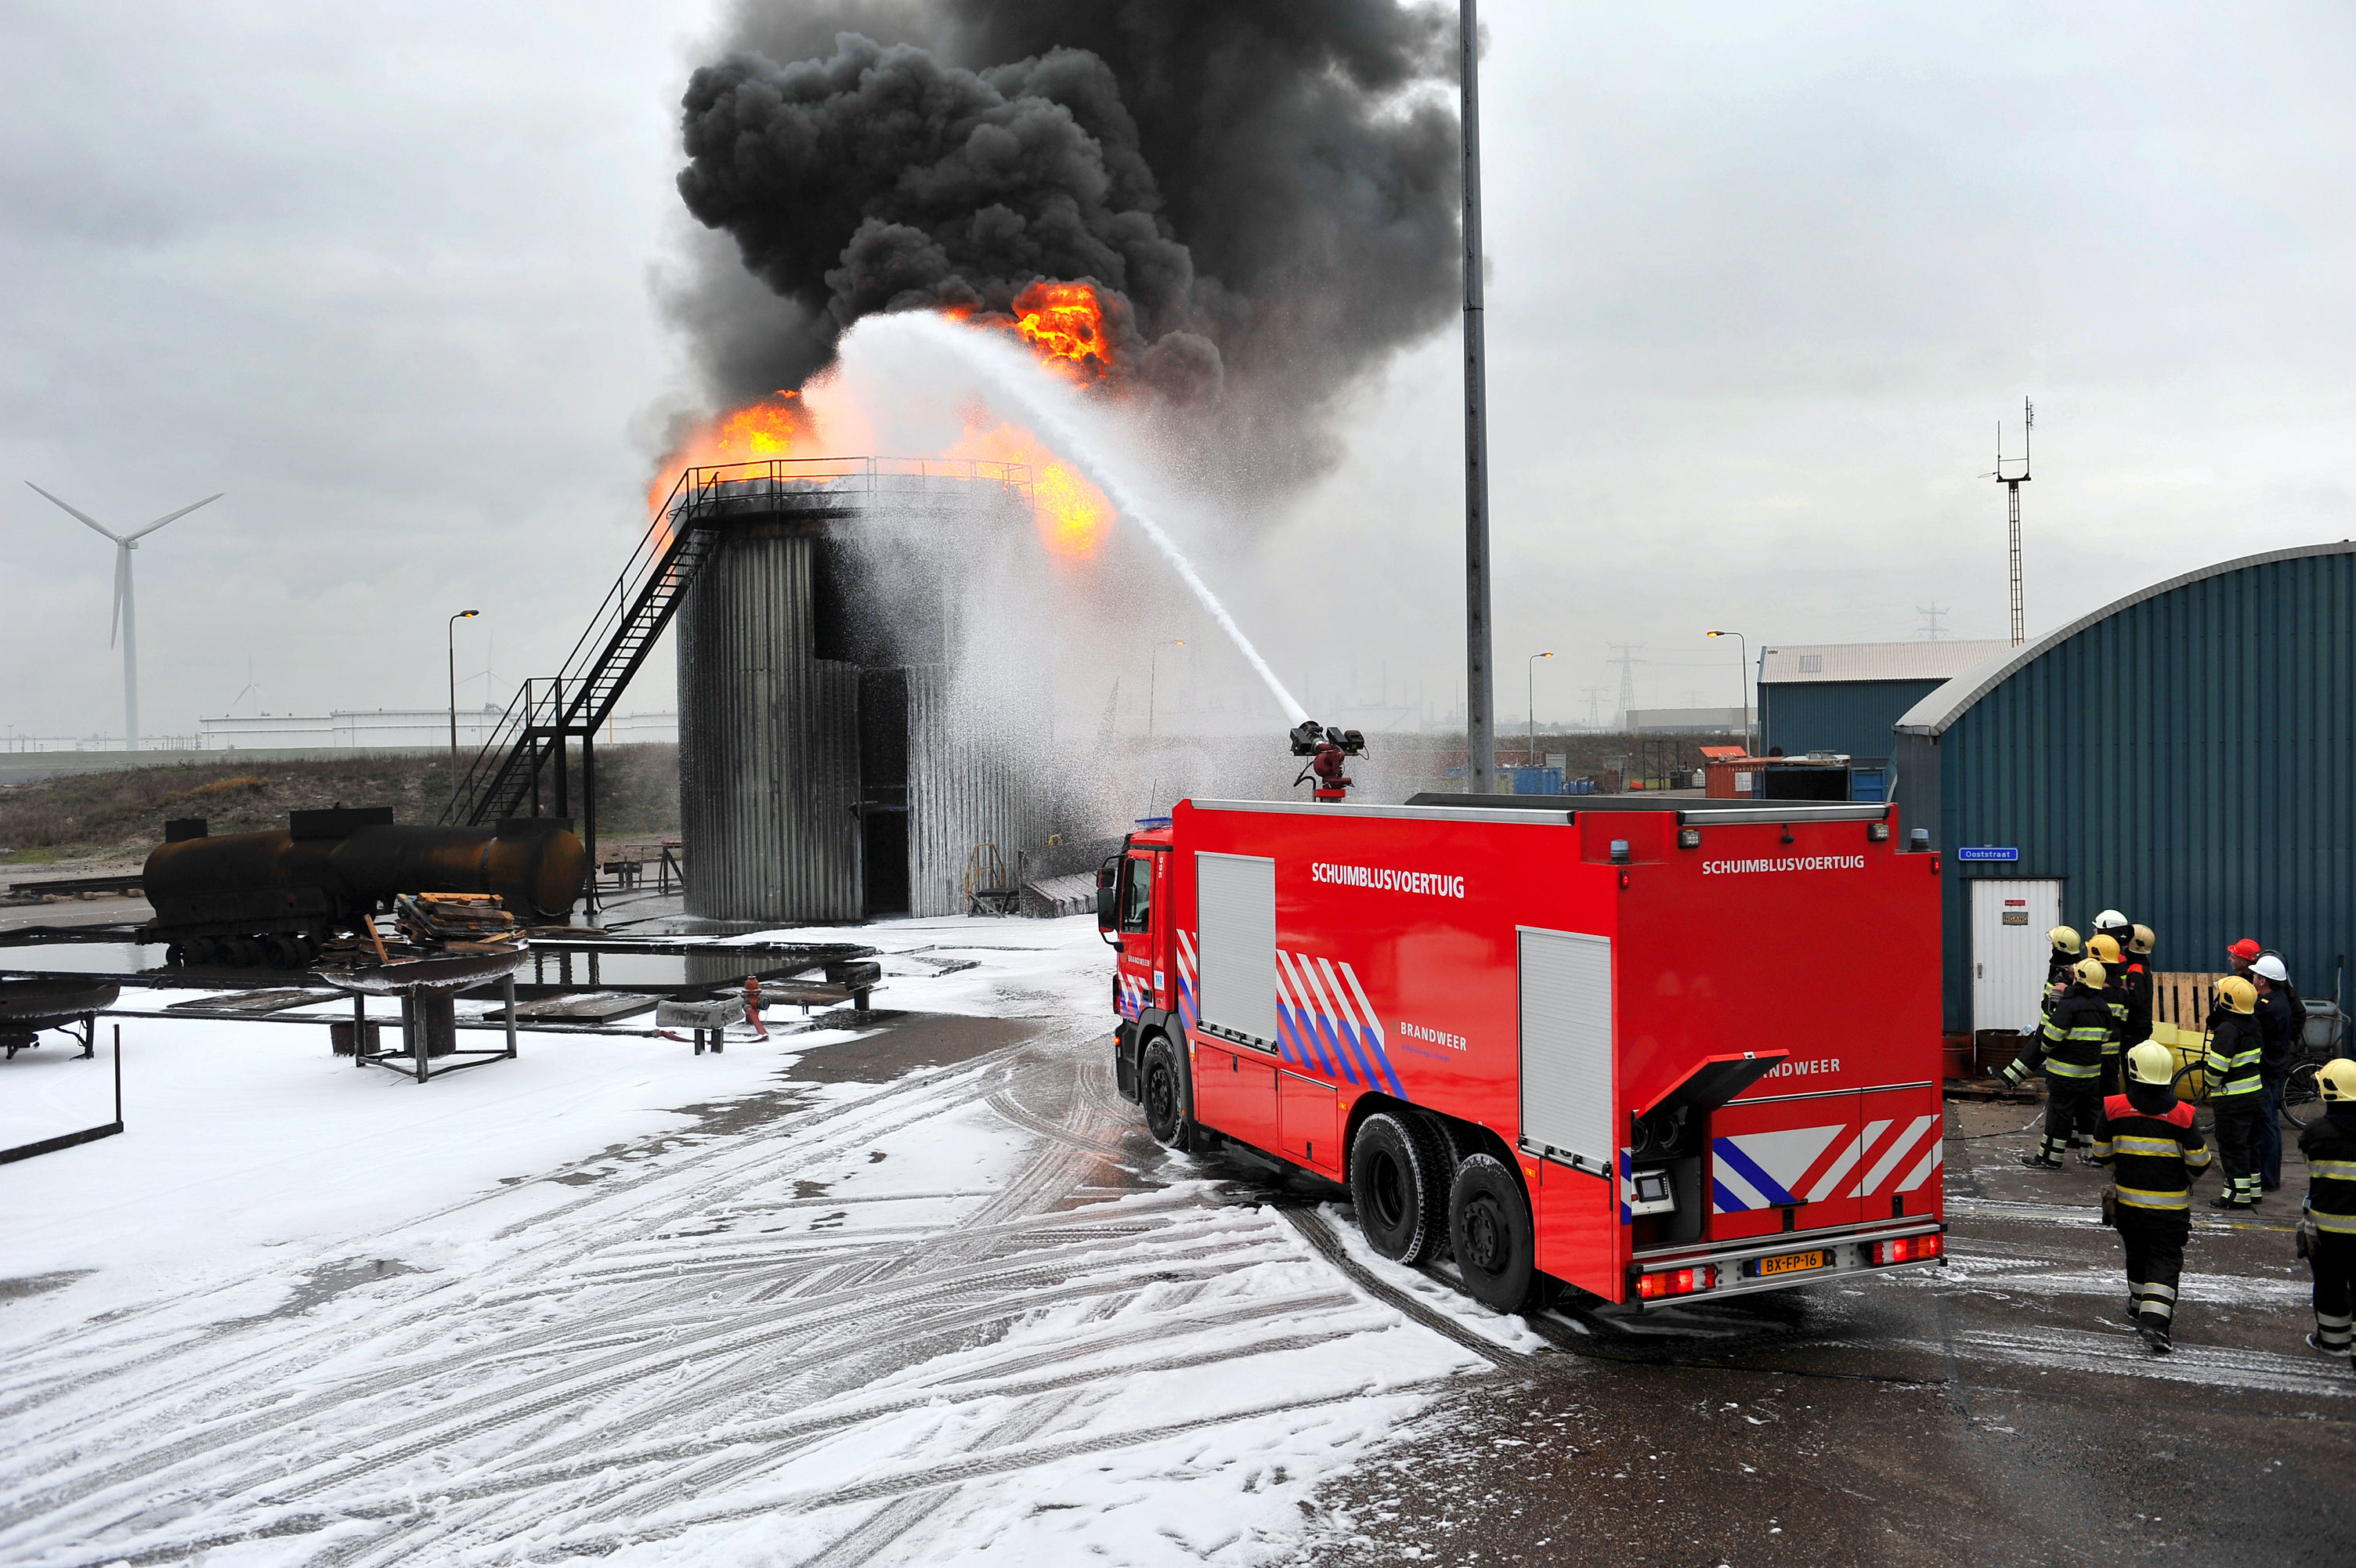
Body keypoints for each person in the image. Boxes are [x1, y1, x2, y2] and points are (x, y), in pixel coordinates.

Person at [2093, 1039, 2215, 1353]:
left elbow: (2100, 1152)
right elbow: (2200, 1162)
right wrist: (2183, 1178)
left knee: (2136, 1253)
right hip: (2170, 1211)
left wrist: (2119, 1168)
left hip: (2129, 1208)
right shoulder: (2184, 1115)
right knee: (2164, 1259)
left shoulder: (2113, 1107)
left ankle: (2136, 1306)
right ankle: (2156, 1324)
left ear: (2133, 1071)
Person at [2018, 956, 2112, 1169]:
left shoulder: (2068, 1006)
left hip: (2064, 1076)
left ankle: (2050, 1158)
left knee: (2059, 1116)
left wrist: (2046, 1051)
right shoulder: (2104, 1008)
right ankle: (2090, 1155)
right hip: (2091, 1076)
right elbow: (2105, 1039)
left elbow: (2050, 1039)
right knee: (2089, 1115)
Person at [2298, 1060, 2356, 1359]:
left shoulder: (2315, 1132)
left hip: (2327, 1232)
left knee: (2330, 1284)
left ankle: (2333, 1342)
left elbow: (2310, 1162)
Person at [2204, 977, 2267, 1208]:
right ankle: (2253, 1191)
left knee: (2232, 1147)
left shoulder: (2228, 1030)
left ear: (2228, 1001)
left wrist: (2210, 1083)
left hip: (2232, 1100)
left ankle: (2236, 1195)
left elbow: (2216, 1070)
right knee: (2250, 1144)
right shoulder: (2253, 1024)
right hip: (2253, 1095)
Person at [2251, 953, 2303, 1194]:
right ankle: (2270, 1175)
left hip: (2266, 1069)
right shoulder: (2280, 998)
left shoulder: (2266, 1008)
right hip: (2275, 1066)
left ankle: (2268, 1178)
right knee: (2270, 1122)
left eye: (2256, 974)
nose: (2253, 977)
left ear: (2263, 981)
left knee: (2267, 1123)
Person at [2086, 934, 2131, 1108]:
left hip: (2094, 1049)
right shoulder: (2122, 990)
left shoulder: (2095, 991)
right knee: (2110, 1089)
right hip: (2113, 1050)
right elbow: (2124, 1018)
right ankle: (2112, 1124)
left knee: (2092, 1095)